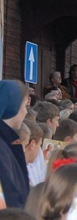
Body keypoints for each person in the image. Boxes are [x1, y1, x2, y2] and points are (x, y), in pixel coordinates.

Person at [0, 80, 30, 208]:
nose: (26, 112)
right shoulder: (2, 148)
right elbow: (10, 195)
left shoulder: (6, 142)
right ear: (13, 107)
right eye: (24, 106)